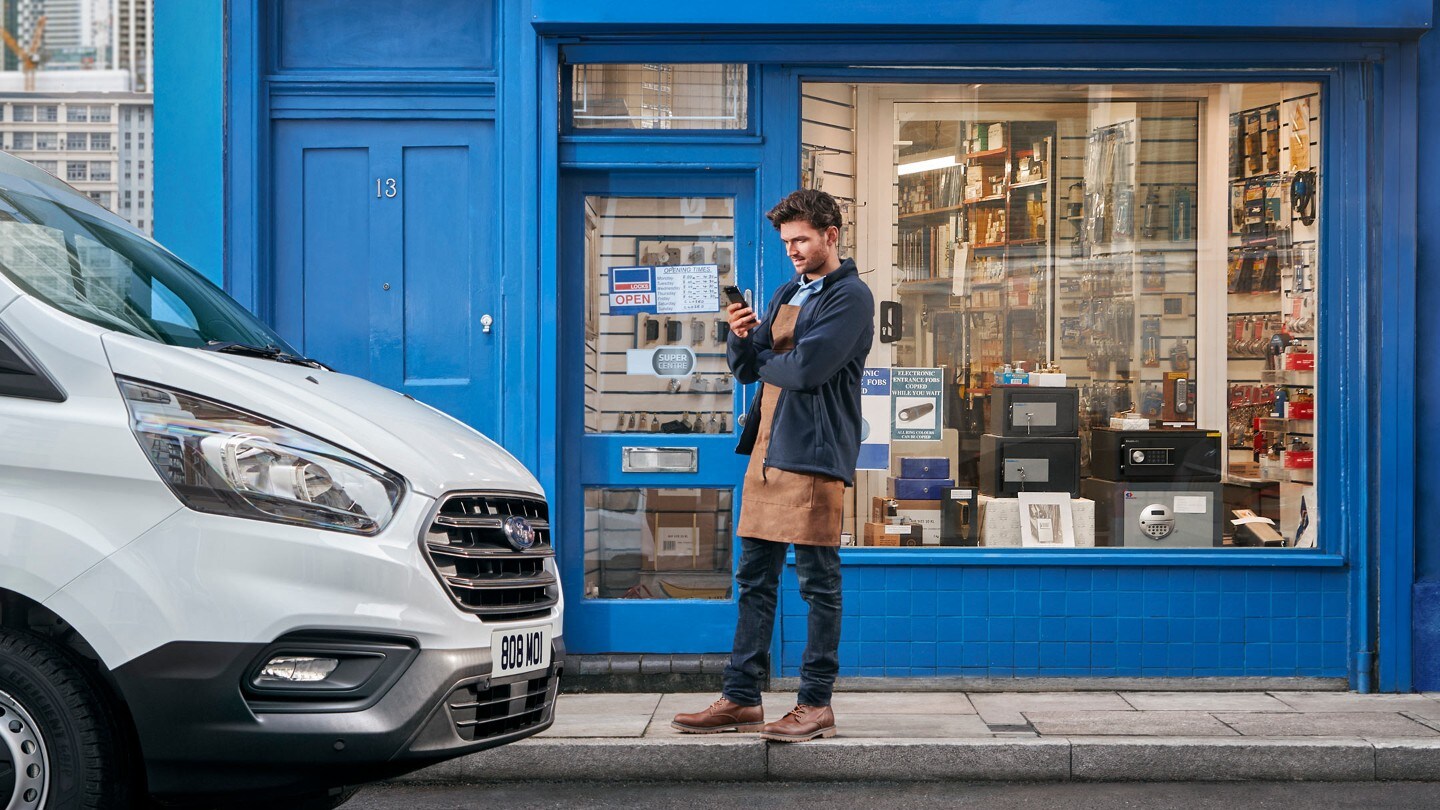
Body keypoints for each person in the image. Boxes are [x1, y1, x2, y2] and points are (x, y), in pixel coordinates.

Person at [672, 189, 874, 742]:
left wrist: (763, 358)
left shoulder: (850, 297)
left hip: (813, 456)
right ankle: (740, 698)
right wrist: (740, 337)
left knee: (817, 585)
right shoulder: (792, 289)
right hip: (766, 453)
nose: (793, 250)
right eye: (787, 242)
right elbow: (748, 369)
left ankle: (815, 704)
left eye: (802, 239)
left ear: (832, 235)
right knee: (754, 579)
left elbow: (807, 370)